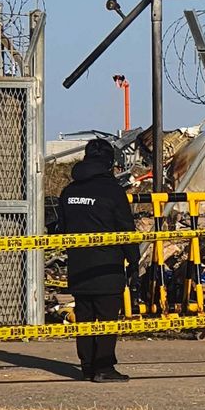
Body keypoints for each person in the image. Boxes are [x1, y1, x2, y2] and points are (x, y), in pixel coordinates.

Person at [58, 138, 140, 382]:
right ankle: (104, 368)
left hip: (79, 266)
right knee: (106, 319)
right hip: (107, 267)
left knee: (84, 318)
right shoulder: (112, 191)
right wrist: (133, 262)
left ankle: (87, 366)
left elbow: (62, 228)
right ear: (109, 162)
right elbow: (126, 229)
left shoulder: (69, 191)